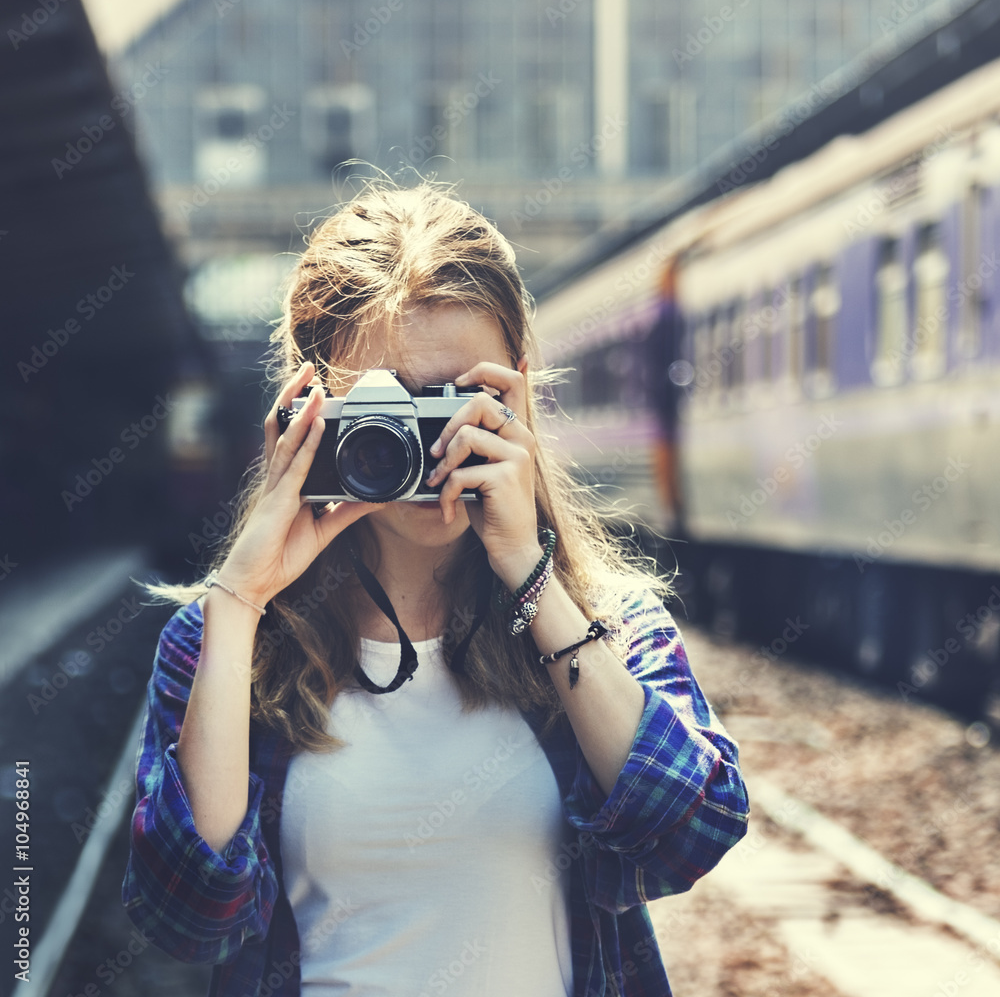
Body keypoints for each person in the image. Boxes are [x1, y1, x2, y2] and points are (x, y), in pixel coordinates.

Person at [122, 181, 749, 997]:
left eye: (459, 400)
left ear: (520, 394)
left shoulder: (609, 626)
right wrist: (240, 600)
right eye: (386, 407)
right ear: (307, 409)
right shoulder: (222, 645)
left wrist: (531, 575)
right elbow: (186, 915)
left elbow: (692, 833)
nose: (429, 446)